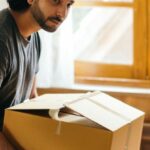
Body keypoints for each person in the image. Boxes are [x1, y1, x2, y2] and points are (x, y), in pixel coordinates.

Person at [0, 0, 74, 149]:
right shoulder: (2, 38)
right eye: (56, 1)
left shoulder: (35, 39)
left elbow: (32, 97)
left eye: (68, 4)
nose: (63, 13)